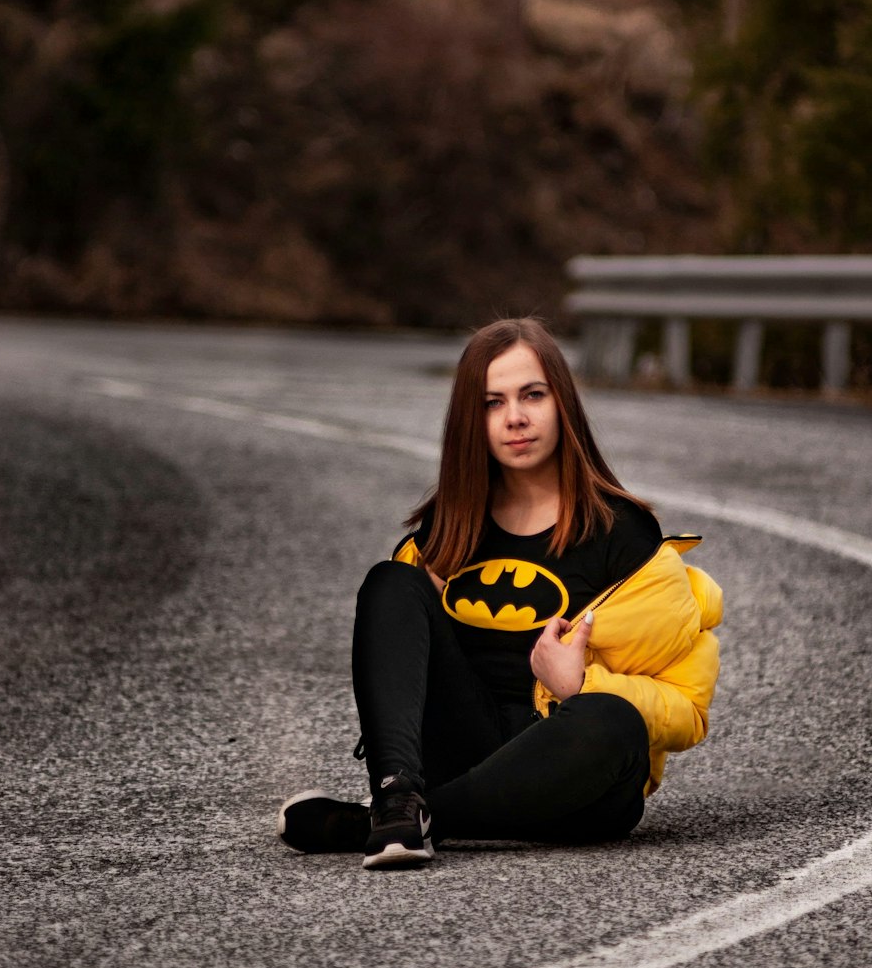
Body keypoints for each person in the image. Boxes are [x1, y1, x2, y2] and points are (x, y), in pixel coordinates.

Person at [277, 316, 722, 870]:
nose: (515, 418)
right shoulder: (446, 531)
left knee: (614, 721)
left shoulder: (622, 534)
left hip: (577, 775)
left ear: (562, 403)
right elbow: (402, 664)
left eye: (532, 395)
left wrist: (581, 684)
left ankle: (395, 820)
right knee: (389, 583)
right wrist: (431, 609)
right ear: (471, 419)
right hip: (464, 754)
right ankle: (398, 796)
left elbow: (688, 710)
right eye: (492, 402)